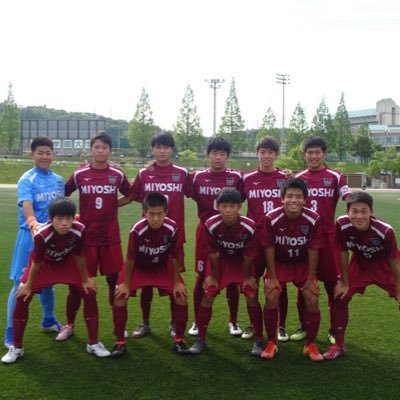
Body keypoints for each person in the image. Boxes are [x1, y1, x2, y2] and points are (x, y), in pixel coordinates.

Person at [1, 197, 110, 364]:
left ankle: (93, 343)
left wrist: (85, 279)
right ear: (51, 219)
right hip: (44, 265)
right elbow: (36, 261)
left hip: (67, 261)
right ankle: (17, 347)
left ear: (74, 218)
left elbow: (80, 256)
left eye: (68, 218)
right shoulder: (42, 234)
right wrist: (29, 286)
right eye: (59, 219)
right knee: (22, 296)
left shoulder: (80, 230)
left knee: (89, 292)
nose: (65, 223)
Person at [56, 132, 131, 341]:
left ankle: (118, 325)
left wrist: (114, 203)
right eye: (97, 147)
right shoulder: (80, 174)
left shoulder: (117, 174)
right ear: (92, 149)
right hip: (85, 238)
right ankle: (70, 324)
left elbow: (133, 194)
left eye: (104, 147)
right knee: (77, 283)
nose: (100, 151)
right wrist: (68, 217)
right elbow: (64, 194)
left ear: (110, 151)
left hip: (110, 237)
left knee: (113, 281)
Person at [122, 132, 189, 338]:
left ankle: (172, 322)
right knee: (146, 285)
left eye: (166, 147)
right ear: (152, 149)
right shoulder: (144, 173)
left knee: (174, 281)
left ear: (172, 149)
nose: (162, 151)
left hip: (173, 236)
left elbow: (200, 190)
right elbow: (133, 195)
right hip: (147, 236)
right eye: (158, 147)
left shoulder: (182, 173)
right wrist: (110, 203)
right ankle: (145, 323)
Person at [109, 193, 189, 357]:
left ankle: (179, 340)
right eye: (151, 214)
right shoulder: (137, 229)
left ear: (166, 212)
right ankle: (120, 343)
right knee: (119, 296)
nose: (155, 219)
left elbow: (175, 257)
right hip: (139, 266)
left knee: (181, 295)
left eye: (160, 214)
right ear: (144, 212)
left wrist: (176, 283)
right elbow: (130, 258)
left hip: (161, 265)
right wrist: (126, 284)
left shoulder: (172, 228)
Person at [323, 191, 400, 359]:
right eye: (354, 211)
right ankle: (339, 345)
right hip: (360, 264)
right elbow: (342, 251)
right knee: (340, 297)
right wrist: (344, 281)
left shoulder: (385, 230)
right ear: (347, 211)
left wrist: (398, 289)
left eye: (364, 211)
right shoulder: (342, 224)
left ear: (371, 212)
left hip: (385, 266)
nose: (359, 216)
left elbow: (394, 260)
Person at [4, 136, 64, 348]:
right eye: (40, 152)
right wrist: (33, 224)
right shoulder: (26, 179)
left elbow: (60, 211)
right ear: (32, 154)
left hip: (52, 240)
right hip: (29, 238)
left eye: (48, 152)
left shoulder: (58, 180)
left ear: (53, 154)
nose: (45, 156)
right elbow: (27, 205)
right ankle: (10, 333)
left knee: (48, 282)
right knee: (20, 285)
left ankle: (48, 320)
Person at [188, 188, 264, 356]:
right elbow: (213, 253)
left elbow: (249, 254)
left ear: (239, 206)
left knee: (251, 294)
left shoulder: (249, 226)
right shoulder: (211, 224)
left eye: (232, 206)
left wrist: (247, 277)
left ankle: (259, 339)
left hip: (241, 263)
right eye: (224, 206)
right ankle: (201, 339)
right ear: (218, 206)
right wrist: (213, 277)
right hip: (221, 262)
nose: (228, 210)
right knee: (208, 294)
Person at [291, 136, 351, 344]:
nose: (314, 156)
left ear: (324, 154)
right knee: (304, 284)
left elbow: (347, 196)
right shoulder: (299, 178)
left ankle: (334, 329)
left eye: (318, 152)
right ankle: (304, 325)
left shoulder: (335, 177)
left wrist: (355, 203)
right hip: (303, 239)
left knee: (331, 284)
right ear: (304, 154)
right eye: (310, 152)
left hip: (327, 239)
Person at [261, 178, 324, 361]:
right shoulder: (271, 218)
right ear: (282, 198)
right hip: (279, 263)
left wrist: (311, 279)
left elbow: (313, 249)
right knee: (272, 295)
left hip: (302, 263)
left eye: (298, 196)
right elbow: (269, 247)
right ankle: (272, 342)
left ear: (305, 199)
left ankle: (310, 344)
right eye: (289, 196)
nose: (293, 200)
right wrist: (272, 276)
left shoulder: (313, 219)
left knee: (312, 298)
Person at [187, 136, 243, 338]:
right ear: (208, 155)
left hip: (231, 231)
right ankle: (196, 320)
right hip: (205, 232)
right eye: (214, 153)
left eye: (222, 154)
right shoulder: (196, 177)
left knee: (233, 278)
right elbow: (184, 189)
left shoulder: (237, 178)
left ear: (227, 156)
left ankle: (233, 321)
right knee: (201, 276)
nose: (218, 158)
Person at [242, 136, 289, 342]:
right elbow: (232, 201)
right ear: (257, 153)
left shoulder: (284, 178)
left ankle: (282, 325)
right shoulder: (247, 178)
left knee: (280, 283)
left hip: (279, 239)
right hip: (253, 238)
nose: (267, 156)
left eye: (271, 152)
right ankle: (254, 324)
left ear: (276, 155)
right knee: (251, 282)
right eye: (263, 151)